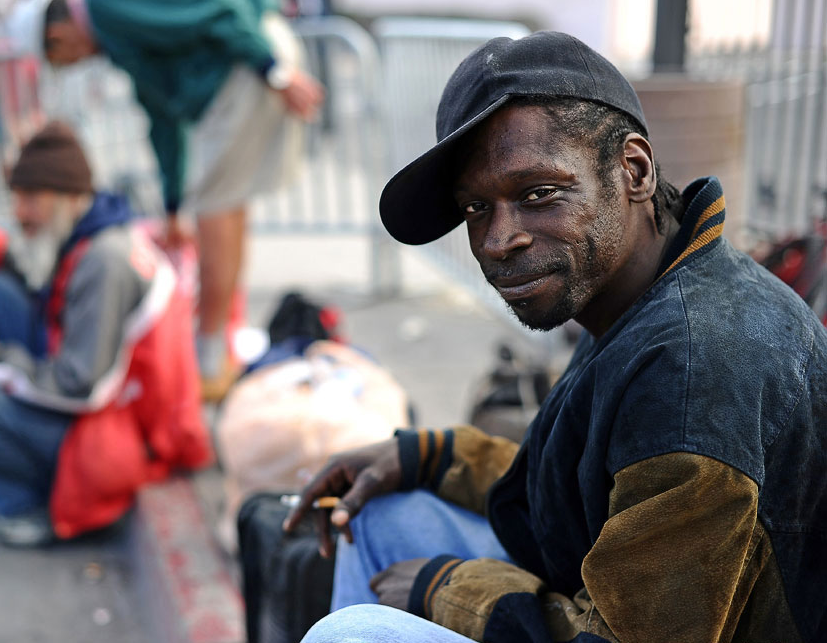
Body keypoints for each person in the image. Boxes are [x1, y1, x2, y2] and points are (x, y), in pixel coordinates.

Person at [285, 31, 827, 642]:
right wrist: (427, 456)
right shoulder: (647, 288)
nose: (498, 240)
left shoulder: (699, 368)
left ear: (634, 170)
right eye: (475, 208)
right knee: (380, 514)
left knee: (353, 634)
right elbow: (584, 483)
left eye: (539, 194)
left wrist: (451, 591)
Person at [0, 121, 213, 547]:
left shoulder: (105, 261)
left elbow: (80, 387)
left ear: (68, 197)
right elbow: (50, 283)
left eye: (30, 199)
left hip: (125, 436)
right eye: (16, 197)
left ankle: (23, 504)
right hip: (107, 402)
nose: (19, 211)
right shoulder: (90, 228)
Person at [39, 0, 325, 401]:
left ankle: (209, 360)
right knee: (224, 206)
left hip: (248, 58)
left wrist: (273, 72)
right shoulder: (114, 27)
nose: (75, 65)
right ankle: (218, 350)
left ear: (59, 37)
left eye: (63, 60)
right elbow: (163, 119)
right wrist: (172, 205)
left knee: (216, 209)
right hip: (250, 55)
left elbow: (218, 8)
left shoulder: (105, 3)